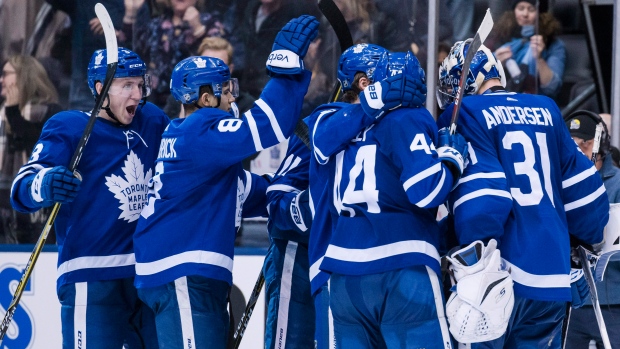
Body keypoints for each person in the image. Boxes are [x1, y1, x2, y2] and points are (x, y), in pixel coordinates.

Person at [132, 15, 318, 348]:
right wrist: (284, 66)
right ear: (204, 98)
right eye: (225, 90)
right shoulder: (200, 129)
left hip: (179, 273)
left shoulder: (189, 141)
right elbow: (264, 126)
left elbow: (246, 192)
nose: (233, 98)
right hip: (182, 271)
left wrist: (286, 192)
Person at [435, 40, 609, 348]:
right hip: (552, 282)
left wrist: (470, 255)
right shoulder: (547, 108)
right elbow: (588, 199)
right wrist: (579, 246)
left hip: (496, 278)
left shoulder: (467, 112)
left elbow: (484, 202)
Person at [10, 47, 169, 348]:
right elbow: (21, 187)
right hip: (90, 276)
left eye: (140, 84)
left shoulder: (152, 121)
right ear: (100, 89)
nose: (137, 94)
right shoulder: (69, 126)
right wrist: (45, 183)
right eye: (127, 85)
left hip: (148, 274)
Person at [309, 45, 467, 348]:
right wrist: (451, 160)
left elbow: (325, 140)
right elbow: (427, 191)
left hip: (342, 270)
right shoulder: (406, 118)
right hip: (403, 262)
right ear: (364, 83)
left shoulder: (331, 120)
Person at [564, 110, 620, 349]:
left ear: (600, 145)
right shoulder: (559, 181)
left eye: (584, 144)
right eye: (572, 145)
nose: (578, 151)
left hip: (612, 300)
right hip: (572, 299)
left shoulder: (617, 182)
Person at [0, 55, 63, 243]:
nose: (1, 80)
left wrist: (13, 113)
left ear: (24, 76)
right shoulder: (2, 111)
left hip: (36, 203)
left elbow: (38, 146)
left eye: (6, 74)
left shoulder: (51, 112)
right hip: (4, 202)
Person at [133, 0, 227, 108]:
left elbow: (221, 55)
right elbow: (138, 54)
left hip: (195, 99)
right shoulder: (155, 24)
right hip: (154, 99)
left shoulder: (211, 23)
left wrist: (198, 29)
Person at [491, 0, 566, 98]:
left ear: (541, 14)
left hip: (536, 101)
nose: (525, 14)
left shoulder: (553, 44)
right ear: (514, 11)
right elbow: (478, 78)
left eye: (531, 9)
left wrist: (539, 59)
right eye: (521, 8)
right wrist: (495, 63)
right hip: (503, 100)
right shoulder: (502, 38)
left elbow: (552, 88)